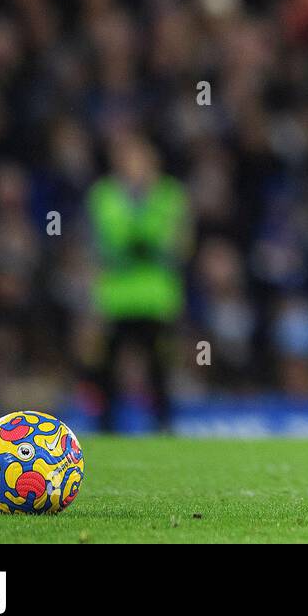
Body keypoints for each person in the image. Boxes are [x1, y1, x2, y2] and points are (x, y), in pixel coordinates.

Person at [86, 132, 191, 432]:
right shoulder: (103, 194)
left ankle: (163, 422)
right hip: (116, 296)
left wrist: (137, 243)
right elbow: (106, 240)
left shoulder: (170, 193)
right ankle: (105, 423)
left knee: (159, 365)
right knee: (107, 363)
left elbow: (176, 242)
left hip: (157, 296)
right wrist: (144, 242)